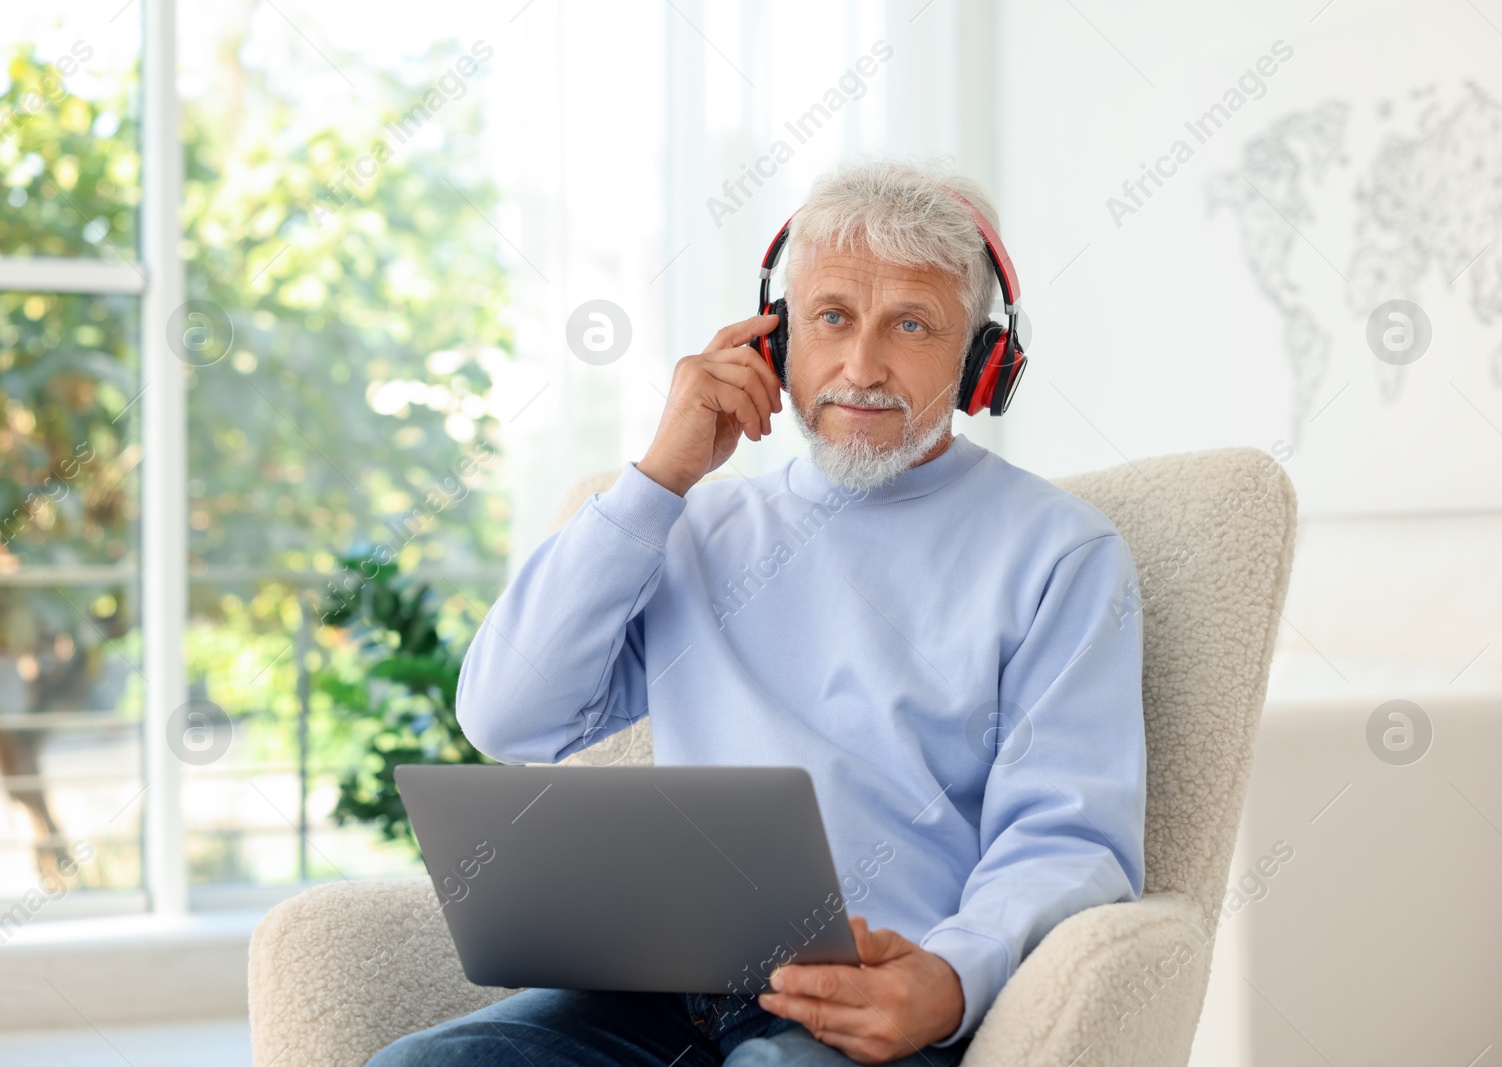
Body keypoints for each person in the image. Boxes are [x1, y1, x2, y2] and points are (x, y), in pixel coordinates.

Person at [369, 158, 1145, 1066]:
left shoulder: (1060, 552)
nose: (862, 366)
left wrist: (950, 978)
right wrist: (658, 477)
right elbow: (508, 715)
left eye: (911, 323)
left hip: (865, 1000)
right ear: (773, 342)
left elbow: (1072, 836)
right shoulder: (692, 521)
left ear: (981, 358)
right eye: (831, 318)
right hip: (655, 991)